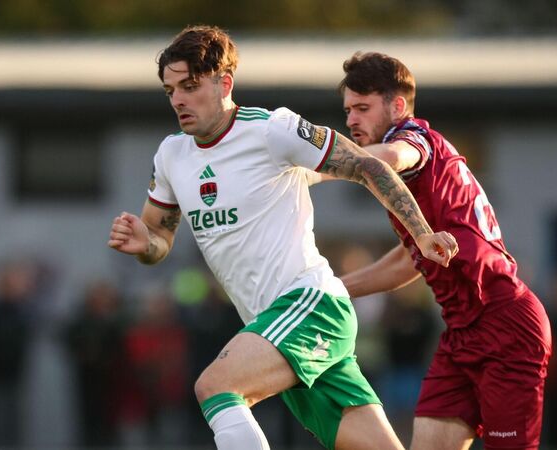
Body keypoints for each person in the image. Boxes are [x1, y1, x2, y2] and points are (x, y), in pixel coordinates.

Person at [107, 26, 458, 450]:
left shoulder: (274, 129)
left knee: (216, 387)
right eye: (170, 90)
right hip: (271, 326)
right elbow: (159, 237)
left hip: (309, 305)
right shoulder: (171, 155)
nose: (178, 99)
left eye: (190, 86)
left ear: (224, 84)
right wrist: (145, 244)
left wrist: (421, 233)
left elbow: (367, 166)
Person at [334, 52, 552, 450]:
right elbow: (407, 261)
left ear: (397, 107)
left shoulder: (414, 140)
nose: (351, 120)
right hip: (460, 335)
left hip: (505, 325)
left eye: (362, 108)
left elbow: (395, 157)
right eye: (348, 110)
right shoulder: (413, 185)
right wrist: (332, 288)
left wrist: (316, 162)